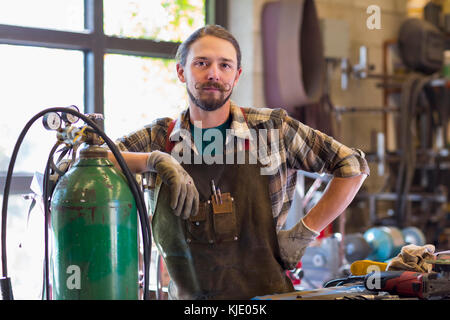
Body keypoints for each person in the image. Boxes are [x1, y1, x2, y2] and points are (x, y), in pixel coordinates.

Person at [108, 24, 370, 300]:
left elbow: (353, 166)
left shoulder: (272, 130)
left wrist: (303, 233)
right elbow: (84, 159)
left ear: (237, 75)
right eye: (201, 63)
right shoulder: (158, 139)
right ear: (181, 71)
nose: (213, 74)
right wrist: (151, 160)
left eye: (225, 65)